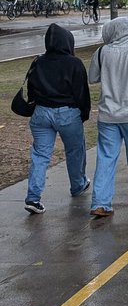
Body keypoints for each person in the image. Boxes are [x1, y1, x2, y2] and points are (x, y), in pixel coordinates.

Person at [87, 18, 128, 217]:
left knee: (106, 157)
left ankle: (101, 202)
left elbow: (92, 78)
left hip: (108, 114)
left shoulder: (101, 52)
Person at [23, 23, 91, 214]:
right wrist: (84, 113)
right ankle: (78, 185)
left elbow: (30, 89)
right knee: (75, 151)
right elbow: (81, 92)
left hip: (41, 112)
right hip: (68, 113)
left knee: (40, 155)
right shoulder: (74, 63)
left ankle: (33, 197)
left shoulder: (38, 62)